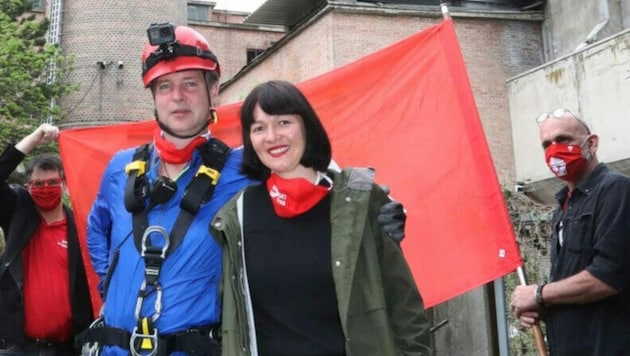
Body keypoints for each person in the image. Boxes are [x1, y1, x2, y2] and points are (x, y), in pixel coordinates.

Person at [81, 24, 408, 355]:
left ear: (214, 91)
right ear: (153, 96)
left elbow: (317, 173)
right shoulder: (120, 168)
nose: (177, 96)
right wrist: (110, 287)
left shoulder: (244, 167)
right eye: (164, 86)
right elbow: (97, 228)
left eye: (190, 84)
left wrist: (381, 210)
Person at [210, 80, 431, 356]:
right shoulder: (237, 215)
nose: (271, 136)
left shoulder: (358, 201)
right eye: (258, 128)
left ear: (307, 126)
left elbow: (405, 309)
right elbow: (231, 321)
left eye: (283, 123)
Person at [510, 108, 630, 355]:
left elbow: (608, 277)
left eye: (563, 139)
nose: (554, 149)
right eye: (546, 144)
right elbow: (572, 287)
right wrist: (542, 307)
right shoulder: (564, 205)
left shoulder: (615, 190)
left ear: (592, 143)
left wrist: (540, 294)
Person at [0, 123, 94, 355]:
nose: (46, 189)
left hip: (67, 348)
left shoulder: (81, 228)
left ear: (63, 184)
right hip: (18, 348)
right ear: (28, 187)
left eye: (52, 183)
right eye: (38, 184)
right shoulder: (17, 214)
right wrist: (32, 139)